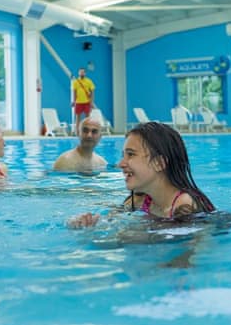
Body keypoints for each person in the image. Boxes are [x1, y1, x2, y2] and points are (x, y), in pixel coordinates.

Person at [69, 122, 214, 227]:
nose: (121, 164)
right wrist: (87, 224)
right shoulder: (139, 200)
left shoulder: (184, 206)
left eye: (130, 155)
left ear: (159, 163)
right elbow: (109, 221)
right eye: (123, 155)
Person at [71, 67, 95, 135]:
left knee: (87, 117)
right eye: (80, 72)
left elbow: (92, 91)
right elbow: (74, 92)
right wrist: (73, 101)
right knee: (78, 117)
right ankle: (77, 132)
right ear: (78, 73)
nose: (81, 73)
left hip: (87, 102)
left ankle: (88, 132)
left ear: (85, 73)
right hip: (78, 102)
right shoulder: (75, 82)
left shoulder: (89, 81)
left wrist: (92, 102)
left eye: (83, 72)